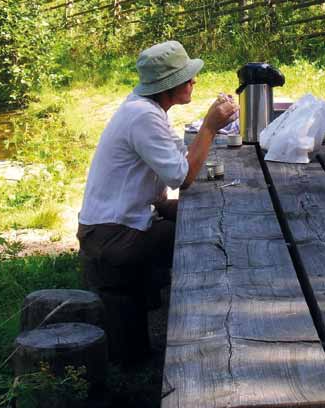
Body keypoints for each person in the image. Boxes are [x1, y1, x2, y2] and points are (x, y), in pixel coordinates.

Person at [77, 40, 238, 277]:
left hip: (119, 225)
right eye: (187, 77)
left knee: (211, 214)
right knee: (207, 237)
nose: (194, 81)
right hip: (111, 235)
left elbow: (181, 156)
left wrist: (209, 127)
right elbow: (183, 177)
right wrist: (210, 127)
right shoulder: (143, 115)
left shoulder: (147, 108)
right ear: (168, 85)